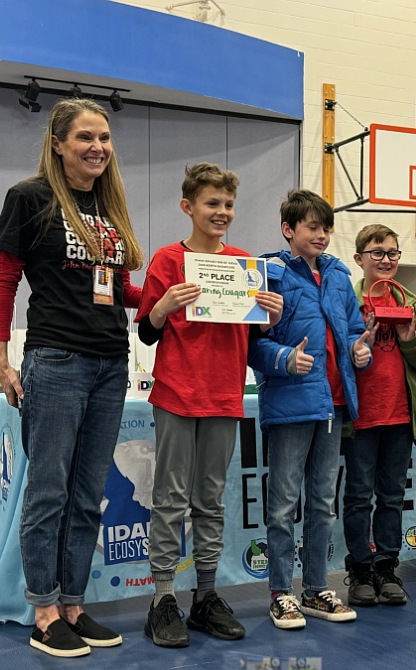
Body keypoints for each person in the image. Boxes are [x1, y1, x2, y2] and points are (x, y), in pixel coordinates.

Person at [0, 98, 145, 657]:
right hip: (56, 361)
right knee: (48, 493)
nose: (98, 147)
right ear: (57, 144)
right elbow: (5, 278)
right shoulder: (29, 198)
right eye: (85, 137)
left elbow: (117, 290)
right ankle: (44, 611)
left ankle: (74, 606)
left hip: (110, 362)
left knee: (86, 496)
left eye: (104, 137)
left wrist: (174, 294)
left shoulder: (108, 206)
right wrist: (1, 356)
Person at [134, 162, 283, 647]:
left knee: (210, 501)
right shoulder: (167, 260)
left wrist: (269, 318)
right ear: (188, 207)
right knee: (170, 498)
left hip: (224, 395)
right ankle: (162, 600)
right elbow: (147, 332)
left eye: (228, 205)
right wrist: (162, 307)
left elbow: (253, 334)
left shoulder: (244, 264)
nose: (222, 212)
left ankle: (205, 596)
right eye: (212, 203)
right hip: (177, 394)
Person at [248, 189, 374, 629]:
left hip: (333, 405)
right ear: (288, 229)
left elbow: (353, 332)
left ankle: (316, 588)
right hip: (290, 404)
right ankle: (281, 593)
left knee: (323, 504)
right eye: (312, 227)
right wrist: (285, 358)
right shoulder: (269, 274)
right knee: (283, 505)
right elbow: (252, 344)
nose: (321, 235)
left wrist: (360, 352)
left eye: (326, 228)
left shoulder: (338, 275)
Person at [343, 224, 416, 607]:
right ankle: (360, 570)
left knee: (392, 497)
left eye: (392, 253)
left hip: (399, 418)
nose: (386, 260)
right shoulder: (346, 302)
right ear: (359, 258)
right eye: (377, 252)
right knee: (358, 498)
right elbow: (335, 360)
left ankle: (386, 567)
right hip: (360, 420)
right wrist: (355, 349)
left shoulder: (411, 303)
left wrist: (408, 338)